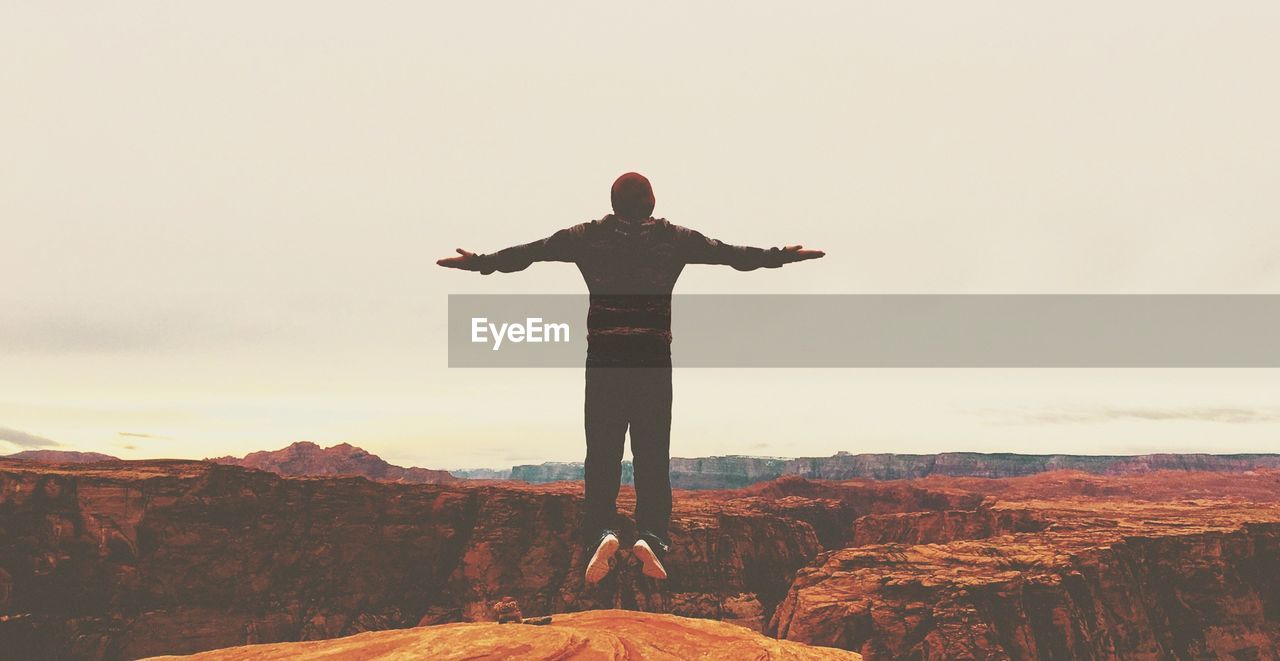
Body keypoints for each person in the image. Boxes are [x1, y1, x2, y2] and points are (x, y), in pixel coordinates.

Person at [438, 172, 823, 584]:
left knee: (601, 454)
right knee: (652, 456)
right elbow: (732, 255)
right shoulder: (675, 238)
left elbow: (529, 253)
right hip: (653, 359)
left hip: (604, 358)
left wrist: (481, 264)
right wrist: (780, 255)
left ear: (613, 202)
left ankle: (601, 533)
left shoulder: (586, 235)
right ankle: (652, 538)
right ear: (651, 202)